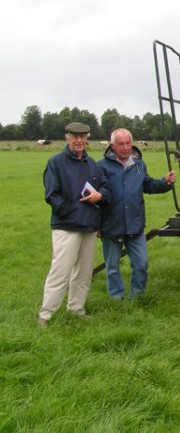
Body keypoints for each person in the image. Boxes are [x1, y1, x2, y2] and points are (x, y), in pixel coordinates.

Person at [38, 122, 110, 326]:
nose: (79, 141)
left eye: (83, 136)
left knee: (84, 273)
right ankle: (45, 314)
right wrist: (69, 212)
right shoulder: (56, 162)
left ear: (87, 138)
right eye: (74, 137)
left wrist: (100, 195)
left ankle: (76, 308)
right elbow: (52, 195)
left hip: (88, 227)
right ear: (67, 138)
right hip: (66, 226)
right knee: (60, 271)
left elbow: (105, 189)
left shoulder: (92, 164)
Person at [98, 128, 176, 299]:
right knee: (112, 267)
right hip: (111, 224)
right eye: (121, 144)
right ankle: (116, 298)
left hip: (135, 223)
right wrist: (96, 225)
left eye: (128, 143)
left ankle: (137, 296)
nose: (126, 148)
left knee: (141, 263)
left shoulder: (139, 164)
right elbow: (97, 197)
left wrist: (164, 182)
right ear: (112, 146)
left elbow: (147, 185)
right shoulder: (101, 166)